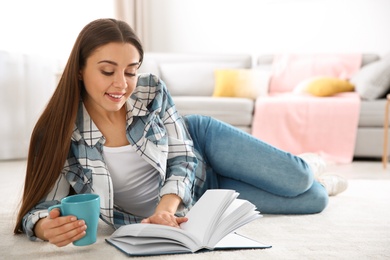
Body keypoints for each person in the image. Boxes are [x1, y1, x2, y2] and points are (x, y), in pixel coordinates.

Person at [14, 18, 347, 247]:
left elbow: (183, 155)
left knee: (299, 179)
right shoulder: (59, 133)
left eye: (131, 71)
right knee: (315, 199)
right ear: (79, 70)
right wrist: (45, 227)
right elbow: (42, 206)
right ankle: (315, 177)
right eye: (107, 71)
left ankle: (308, 163)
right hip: (198, 199)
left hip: (201, 147)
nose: (122, 84)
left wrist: (165, 211)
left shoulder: (150, 91)